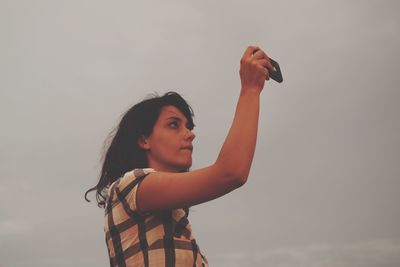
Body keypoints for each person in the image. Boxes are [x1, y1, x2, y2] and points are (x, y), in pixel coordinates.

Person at [85, 46, 273, 267]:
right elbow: (230, 173)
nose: (190, 134)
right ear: (144, 139)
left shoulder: (174, 216)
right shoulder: (130, 185)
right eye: (174, 125)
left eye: (188, 126)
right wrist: (250, 89)